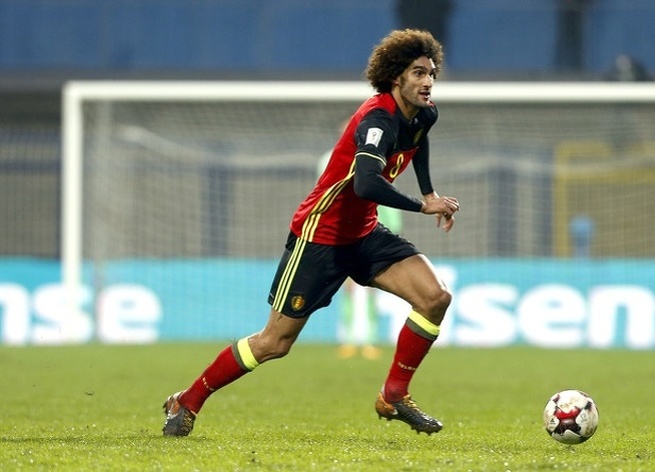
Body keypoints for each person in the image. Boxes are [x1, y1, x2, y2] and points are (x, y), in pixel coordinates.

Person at [162, 29, 459, 437]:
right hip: (319, 236)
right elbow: (366, 185)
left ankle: (393, 394)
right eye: (418, 73)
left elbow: (420, 143)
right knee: (274, 344)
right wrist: (421, 205)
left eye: (432, 73)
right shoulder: (376, 121)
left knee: (435, 298)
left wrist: (430, 191)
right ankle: (188, 400)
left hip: (364, 233)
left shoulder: (425, 113)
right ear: (396, 78)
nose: (428, 81)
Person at [316, 138, 404, 360]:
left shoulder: (382, 164)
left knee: (372, 289)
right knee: (346, 288)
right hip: (346, 236)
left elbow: (389, 205)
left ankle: (370, 339)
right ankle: (348, 338)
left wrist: (391, 232)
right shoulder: (337, 164)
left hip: (373, 235)